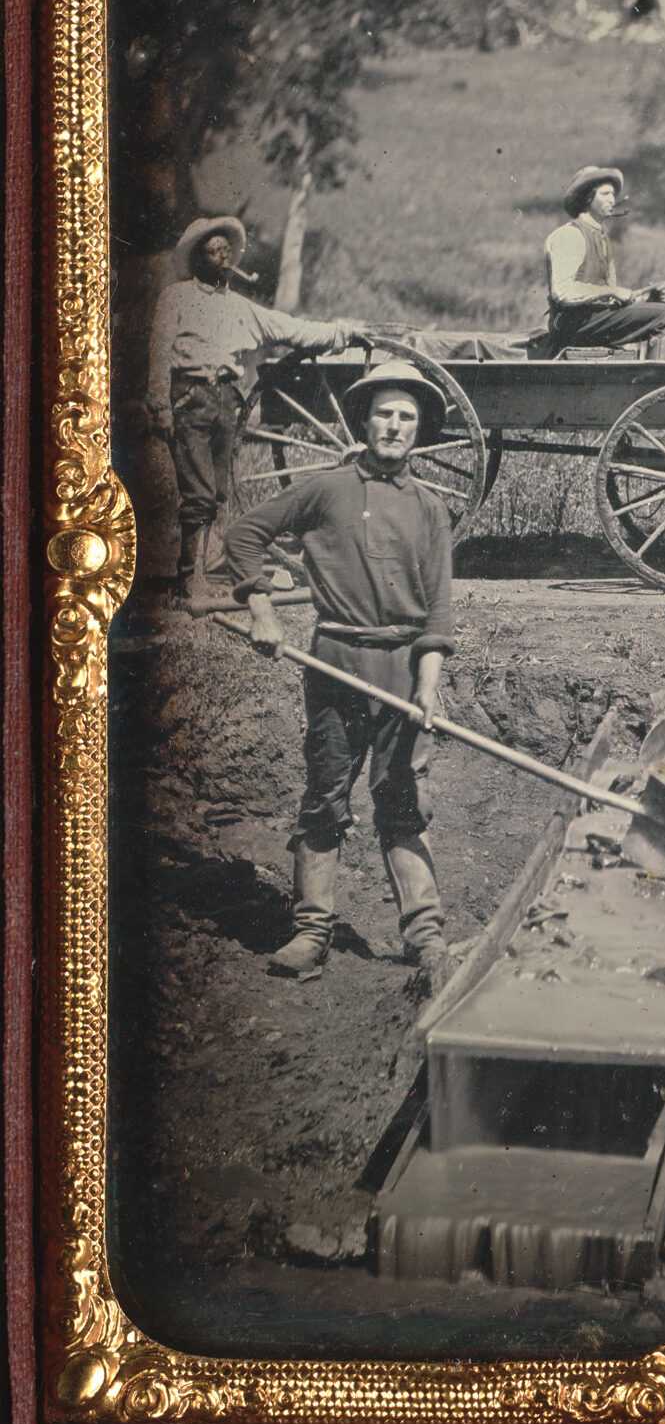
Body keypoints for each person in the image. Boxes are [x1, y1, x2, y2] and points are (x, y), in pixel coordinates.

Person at [224, 361, 455, 982]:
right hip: (335, 662)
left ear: (420, 430)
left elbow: (437, 611)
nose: (395, 425)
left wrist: (429, 691)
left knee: (403, 800)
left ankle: (425, 937)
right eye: (384, 412)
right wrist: (262, 607)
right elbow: (245, 534)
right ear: (364, 418)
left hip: (404, 669)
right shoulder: (326, 489)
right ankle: (310, 932)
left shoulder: (430, 508)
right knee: (325, 799)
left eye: (407, 416)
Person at [146, 215, 349, 601]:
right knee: (200, 494)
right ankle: (189, 581)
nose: (222, 257)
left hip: (227, 401)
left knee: (219, 492)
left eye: (226, 251)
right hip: (190, 400)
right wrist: (160, 405)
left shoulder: (240, 307)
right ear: (197, 259)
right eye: (212, 252)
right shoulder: (176, 298)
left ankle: (205, 568)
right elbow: (158, 353)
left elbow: (289, 327)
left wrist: (339, 334)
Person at [543, 166, 665, 360]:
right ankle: (654, 384)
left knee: (664, 313)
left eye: (614, 194)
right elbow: (564, 291)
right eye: (605, 194)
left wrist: (646, 298)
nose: (612, 200)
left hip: (591, 321)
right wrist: (613, 291)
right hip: (572, 325)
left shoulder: (601, 239)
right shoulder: (569, 235)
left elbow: (609, 302)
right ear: (587, 197)